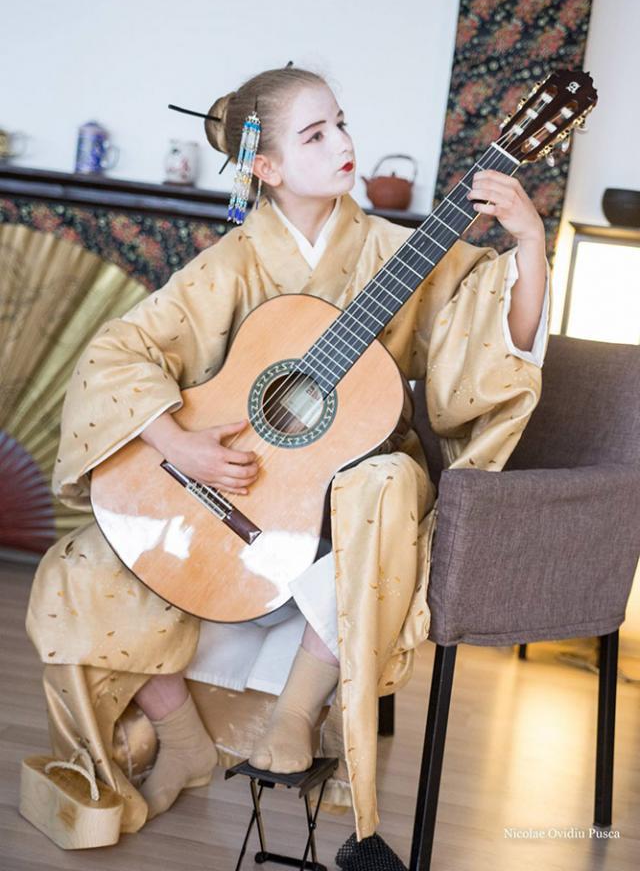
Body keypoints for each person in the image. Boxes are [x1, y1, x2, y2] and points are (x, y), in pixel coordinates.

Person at [26, 65, 549, 844]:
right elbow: (118, 353)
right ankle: (180, 740)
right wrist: (178, 443)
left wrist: (530, 240)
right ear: (263, 167)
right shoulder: (235, 264)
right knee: (79, 571)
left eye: (342, 122)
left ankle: (298, 713)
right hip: (246, 490)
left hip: (347, 503)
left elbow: (489, 342)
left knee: (384, 481)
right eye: (315, 135)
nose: (343, 143)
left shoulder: (396, 249)